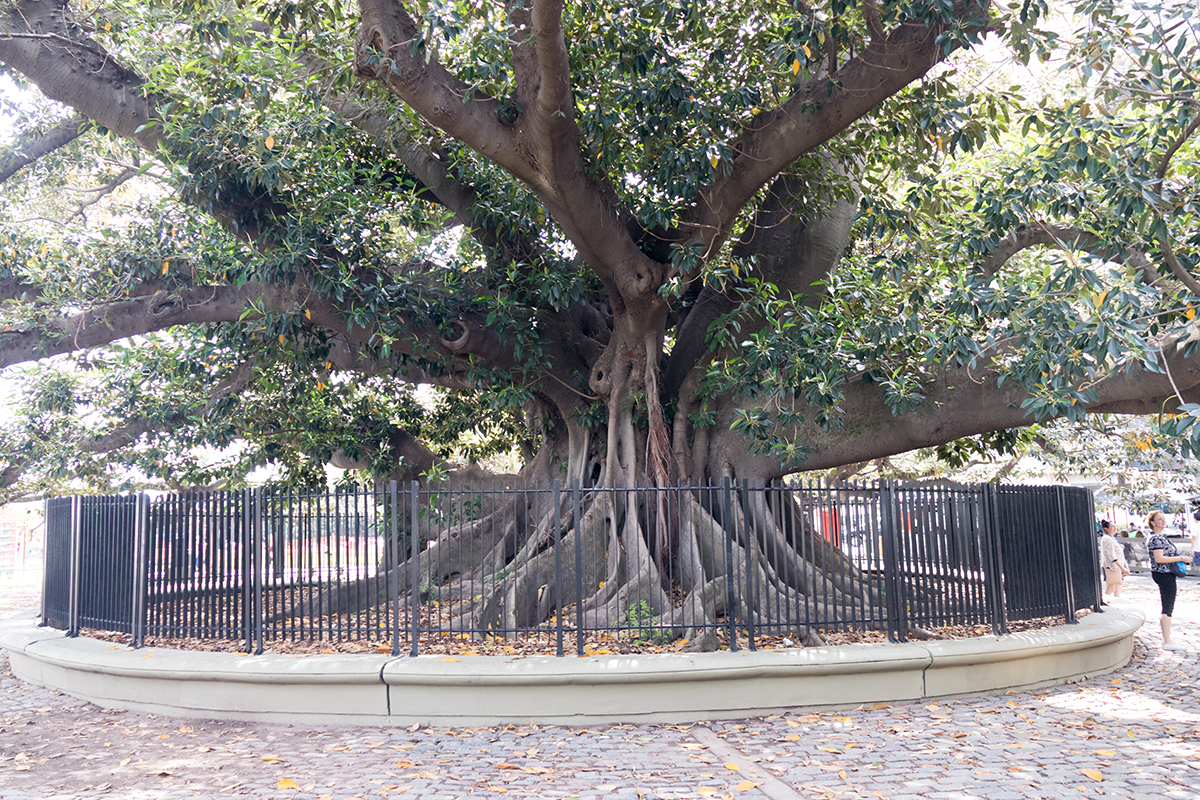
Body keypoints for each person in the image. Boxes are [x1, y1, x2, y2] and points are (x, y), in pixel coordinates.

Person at [1146, 510, 1189, 651]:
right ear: (1152, 523)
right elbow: (1159, 558)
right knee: (1167, 607)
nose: (1163, 521)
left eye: (1164, 519)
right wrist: (1181, 558)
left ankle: (1167, 638)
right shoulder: (1156, 539)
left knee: (1168, 606)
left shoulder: (1159, 537)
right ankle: (1167, 641)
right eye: (1159, 519)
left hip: (1164, 573)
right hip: (1164, 574)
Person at [1099, 520, 1129, 597]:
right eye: (1112, 526)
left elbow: (1120, 554)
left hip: (1117, 567)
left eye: (1115, 526)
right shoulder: (1107, 539)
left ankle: (1117, 600)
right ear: (1106, 528)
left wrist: (1125, 566)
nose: (1115, 528)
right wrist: (1123, 568)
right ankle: (1107, 601)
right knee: (1111, 586)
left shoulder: (1112, 538)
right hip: (1112, 567)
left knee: (1117, 587)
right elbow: (1112, 556)